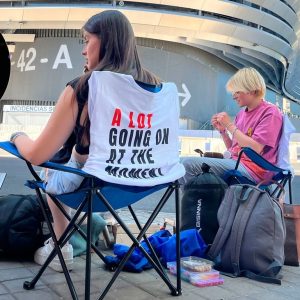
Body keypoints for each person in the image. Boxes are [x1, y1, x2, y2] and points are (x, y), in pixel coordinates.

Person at [9, 10, 165, 272]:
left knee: (50, 170)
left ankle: (61, 247)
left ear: (104, 41)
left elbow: (36, 153)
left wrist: (17, 136)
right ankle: (83, 227)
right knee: (66, 166)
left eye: (86, 40)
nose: (83, 50)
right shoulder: (156, 87)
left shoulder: (84, 86)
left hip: (90, 184)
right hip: (137, 184)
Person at [180, 67, 283, 186]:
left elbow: (255, 149)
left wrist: (229, 125)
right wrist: (223, 132)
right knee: (181, 161)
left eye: (237, 91)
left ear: (251, 89)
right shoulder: (241, 114)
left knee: (187, 164)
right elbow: (235, 149)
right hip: (237, 162)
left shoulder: (271, 112)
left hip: (256, 171)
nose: (233, 96)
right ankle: (200, 203)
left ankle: (194, 203)